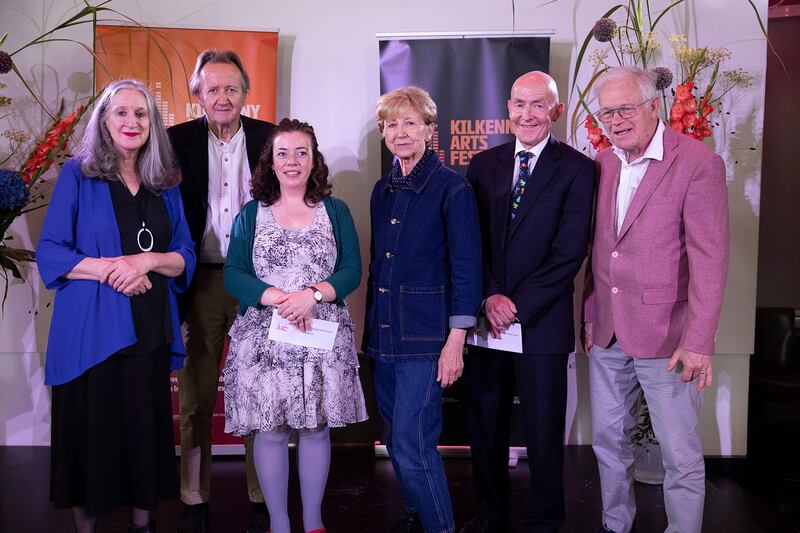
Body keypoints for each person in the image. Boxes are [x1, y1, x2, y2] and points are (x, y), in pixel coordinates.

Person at [36, 79, 195, 533]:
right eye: (121, 113)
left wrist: (147, 261)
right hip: (90, 332)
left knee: (144, 437)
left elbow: (183, 251)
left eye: (141, 114)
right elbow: (52, 252)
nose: (131, 122)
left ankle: (143, 525)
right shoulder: (77, 174)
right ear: (104, 121)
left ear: (153, 124)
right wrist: (112, 270)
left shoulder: (166, 181)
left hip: (147, 330)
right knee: (91, 439)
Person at [582, 66, 729, 533]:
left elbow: (710, 259)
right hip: (606, 331)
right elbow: (600, 249)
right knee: (608, 442)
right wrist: (588, 316)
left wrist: (700, 341)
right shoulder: (602, 163)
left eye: (626, 109)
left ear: (654, 107)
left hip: (670, 338)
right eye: (607, 113)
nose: (616, 120)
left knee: (679, 453)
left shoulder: (698, 163)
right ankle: (615, 524)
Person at [461, 71, 596, 533]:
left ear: (556, 111)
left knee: (542, 434)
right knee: (486, 430)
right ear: (508, 107)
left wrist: (514, 304)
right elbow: (469, 242)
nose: (527, 114)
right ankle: (490, 516)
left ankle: (544, 521)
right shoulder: (484, 165)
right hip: (487, 322)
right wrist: (489, 295)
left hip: (541, 323)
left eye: (538, 105)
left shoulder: (578, 169)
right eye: (519, 104)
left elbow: (569, 252)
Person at [223, 118, 368, 533]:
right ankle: (280, 524)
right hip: (264, 340)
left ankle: (314, 521)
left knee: (315, 427)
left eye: (301, 152)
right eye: (282, 153)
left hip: (319, 335)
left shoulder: (334, 211)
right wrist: (279, 299)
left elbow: (352, 270)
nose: (292, 161)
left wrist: (313, 295)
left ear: (313, 160)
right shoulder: (253, 213)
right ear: (270, 162)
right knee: (269, 431)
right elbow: (234, 274)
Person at [363, 86, 483, 533]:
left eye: (411, 123)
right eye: (391, 124)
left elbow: (467, 270)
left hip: (425, 340)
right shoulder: (382, 190)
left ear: (431, 130)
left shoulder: (453, 189)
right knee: (396, 442)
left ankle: (440, 527)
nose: (401, 132)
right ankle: (417, 516)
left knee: (415, 445)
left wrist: (456, 342)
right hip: (384, 337)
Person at [167, 48, 275, 533]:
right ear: (198, 95)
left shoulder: (273, 139)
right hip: (201, 280)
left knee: (258, 393)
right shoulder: (173, 142)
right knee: (195, 396)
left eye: (232, 87)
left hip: (257, 282)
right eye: (213, 88)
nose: (223, 96)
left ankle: (262, 494)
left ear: (245, 93)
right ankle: (193, 496)